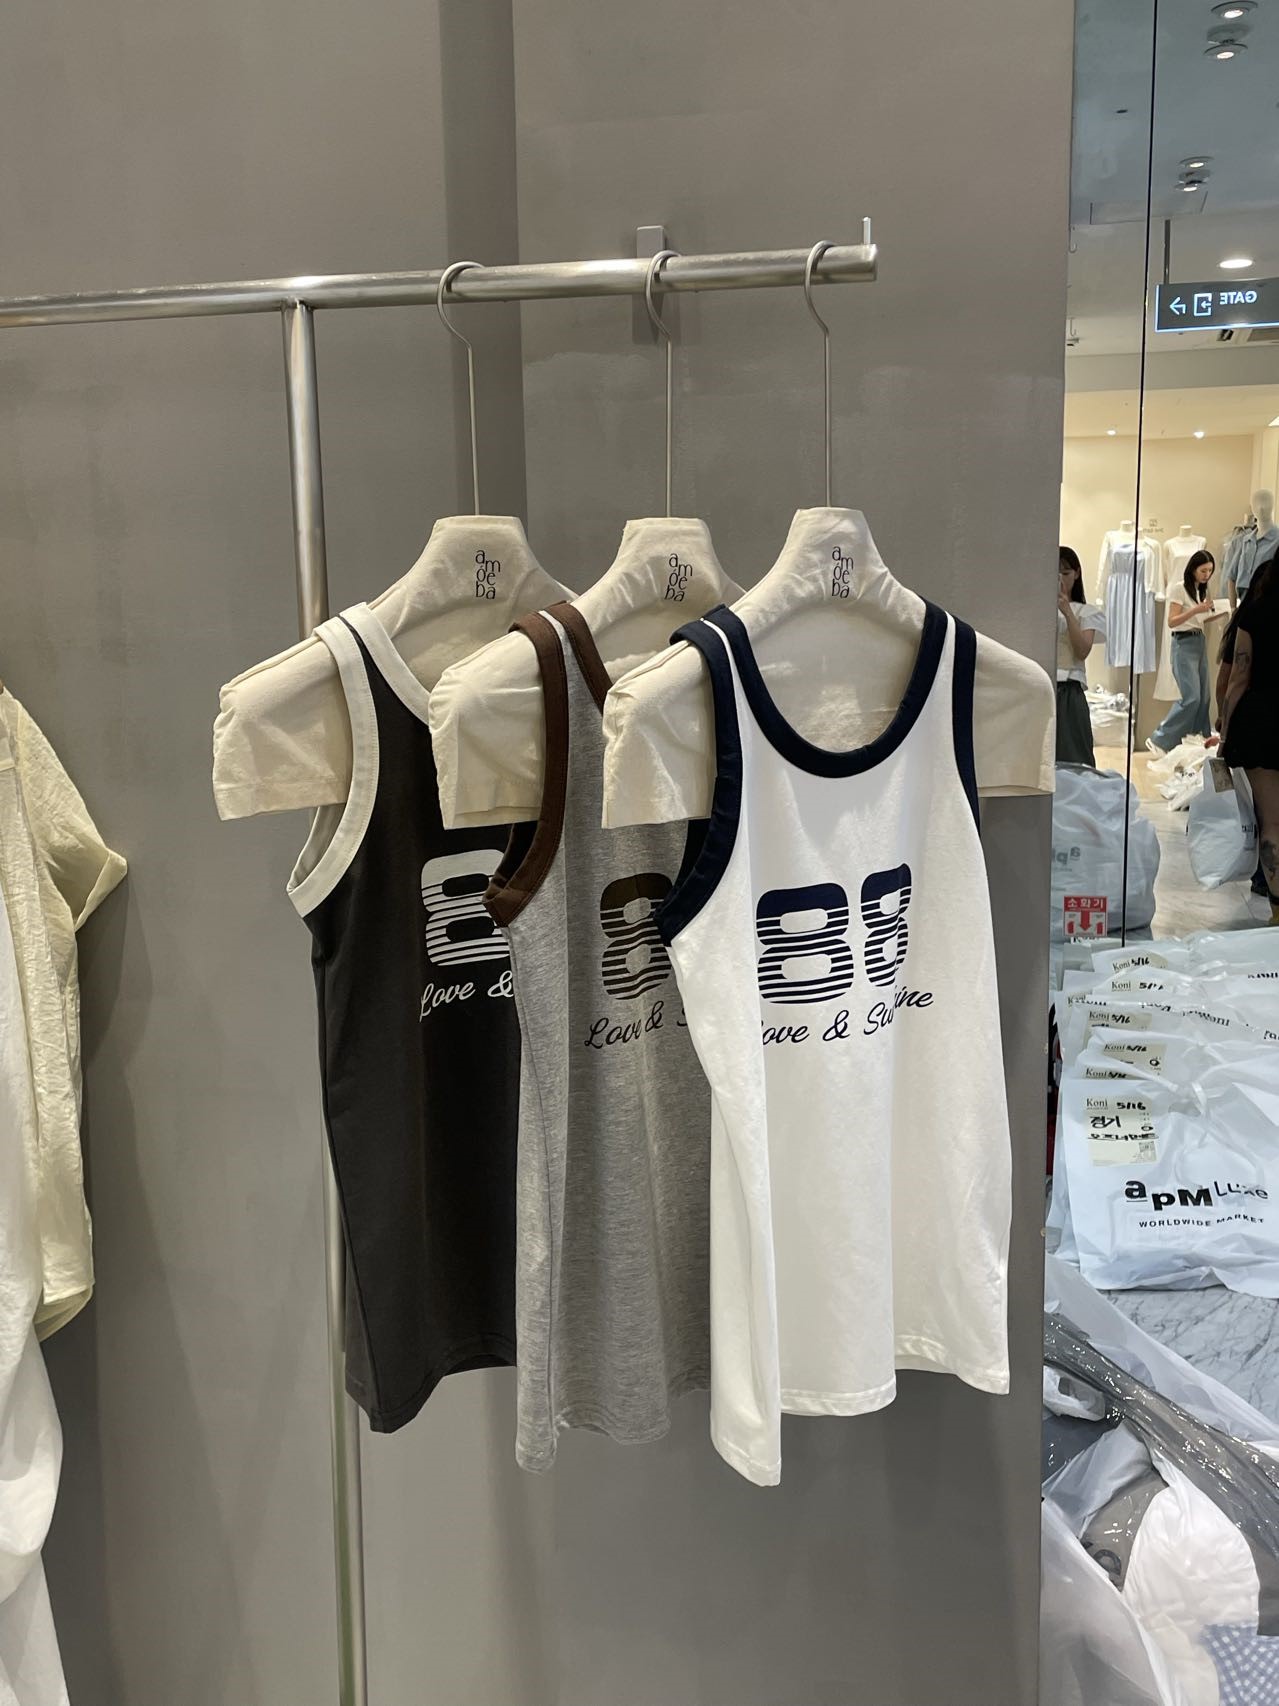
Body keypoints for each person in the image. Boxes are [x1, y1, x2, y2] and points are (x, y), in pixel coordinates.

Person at [1221, 560, 1279, 922]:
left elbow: (1238, 678)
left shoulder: (1256, 613)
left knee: (1271, 822)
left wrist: (1225, 734)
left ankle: (1278, 910)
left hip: (1262, 722)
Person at [1148, 550, 1226, 755]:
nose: (1207, 575)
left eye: (1210, 571)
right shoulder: (1179, 588)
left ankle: (1198, 739)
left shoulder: (1201, 591)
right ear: (1193, 569)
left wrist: (1219, 612)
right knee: (1191, 698)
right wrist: (1196, 610)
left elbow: (1198, 620)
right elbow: (1172, 621)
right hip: (1183, 644)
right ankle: (1160, 739)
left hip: (1198, 640)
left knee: (1204, 697)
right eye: (1203, 570)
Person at [1055, 546, 1106, 765]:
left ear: (1076, 573)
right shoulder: (1036, 610)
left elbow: (1082, 651)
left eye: (1065, 573)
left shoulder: (1086, 612)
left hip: (1070, 689)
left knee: (1075, 758)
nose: (1060, 579)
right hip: (1042, 686)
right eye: (1054, 573)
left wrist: (1067, 610)